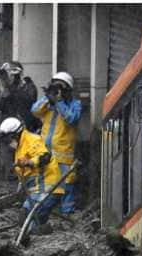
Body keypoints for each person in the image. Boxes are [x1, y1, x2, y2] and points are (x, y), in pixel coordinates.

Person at [0, 117, 64, 230]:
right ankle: (42, 229)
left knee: (28, 225)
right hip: (36, 191)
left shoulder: (32, 140)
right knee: (23, 219)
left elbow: (45, 157)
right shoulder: (20, 147)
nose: (8, 143)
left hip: (47, 188)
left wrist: (30, 162)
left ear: (15, 135)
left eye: (8, 140)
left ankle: (45, 231)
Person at [31, 71, 81, 214]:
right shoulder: (48, 104)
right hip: (46, 152)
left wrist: (60, 102)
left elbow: (72, 119)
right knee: (45, 182)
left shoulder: (74, 104)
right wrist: (48, 97)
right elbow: (34, 110)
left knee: (67, 183)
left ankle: (67, 213)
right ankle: (44, 212)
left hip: (64, 153)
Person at [0, 61, 39, 181]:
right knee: (8, 161)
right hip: (8, 130)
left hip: (25, 129)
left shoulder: (28, 85)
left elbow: (29, 101)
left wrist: (14, 87)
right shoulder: (5, 88)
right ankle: (11, 182)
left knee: (24, 162)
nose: (7, 78)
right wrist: (3, 89)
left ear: (17, 74)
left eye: (10, 74)